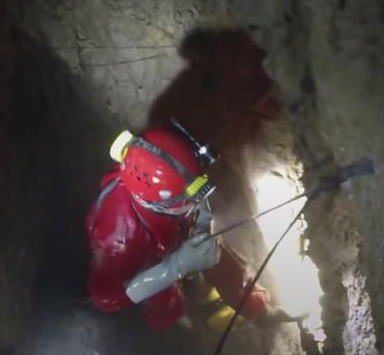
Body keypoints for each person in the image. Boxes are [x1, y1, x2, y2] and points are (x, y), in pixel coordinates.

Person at [85, 120, 301, 331]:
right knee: (166, 301)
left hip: (171, 230)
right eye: (187, 199)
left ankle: (257, 309)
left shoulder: (151, 172)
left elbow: (190, 188)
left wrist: (202, 223)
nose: (194, 202)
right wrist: (175, 267)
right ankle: (177, 328)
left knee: (221, 259)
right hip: (146, 262)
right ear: (163, 204)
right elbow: (105, 298)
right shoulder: (119, 240)